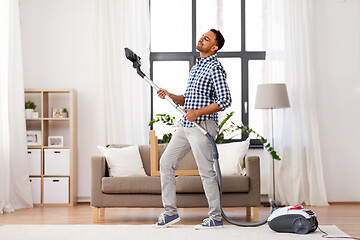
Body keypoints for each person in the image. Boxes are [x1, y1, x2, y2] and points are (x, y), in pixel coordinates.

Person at [154, 29, 232, 230]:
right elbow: (187, 100)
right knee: (166, 162)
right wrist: (169, 95)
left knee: (206, 172)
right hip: (186, 125)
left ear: (214, 47)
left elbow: (225, 100)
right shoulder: (196, 68)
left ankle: (215, 217)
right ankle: (170, 213)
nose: (201, 39)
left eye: (207, 39)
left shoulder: (215, 67)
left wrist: (197, 113)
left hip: (203, 125)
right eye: (202, 36)